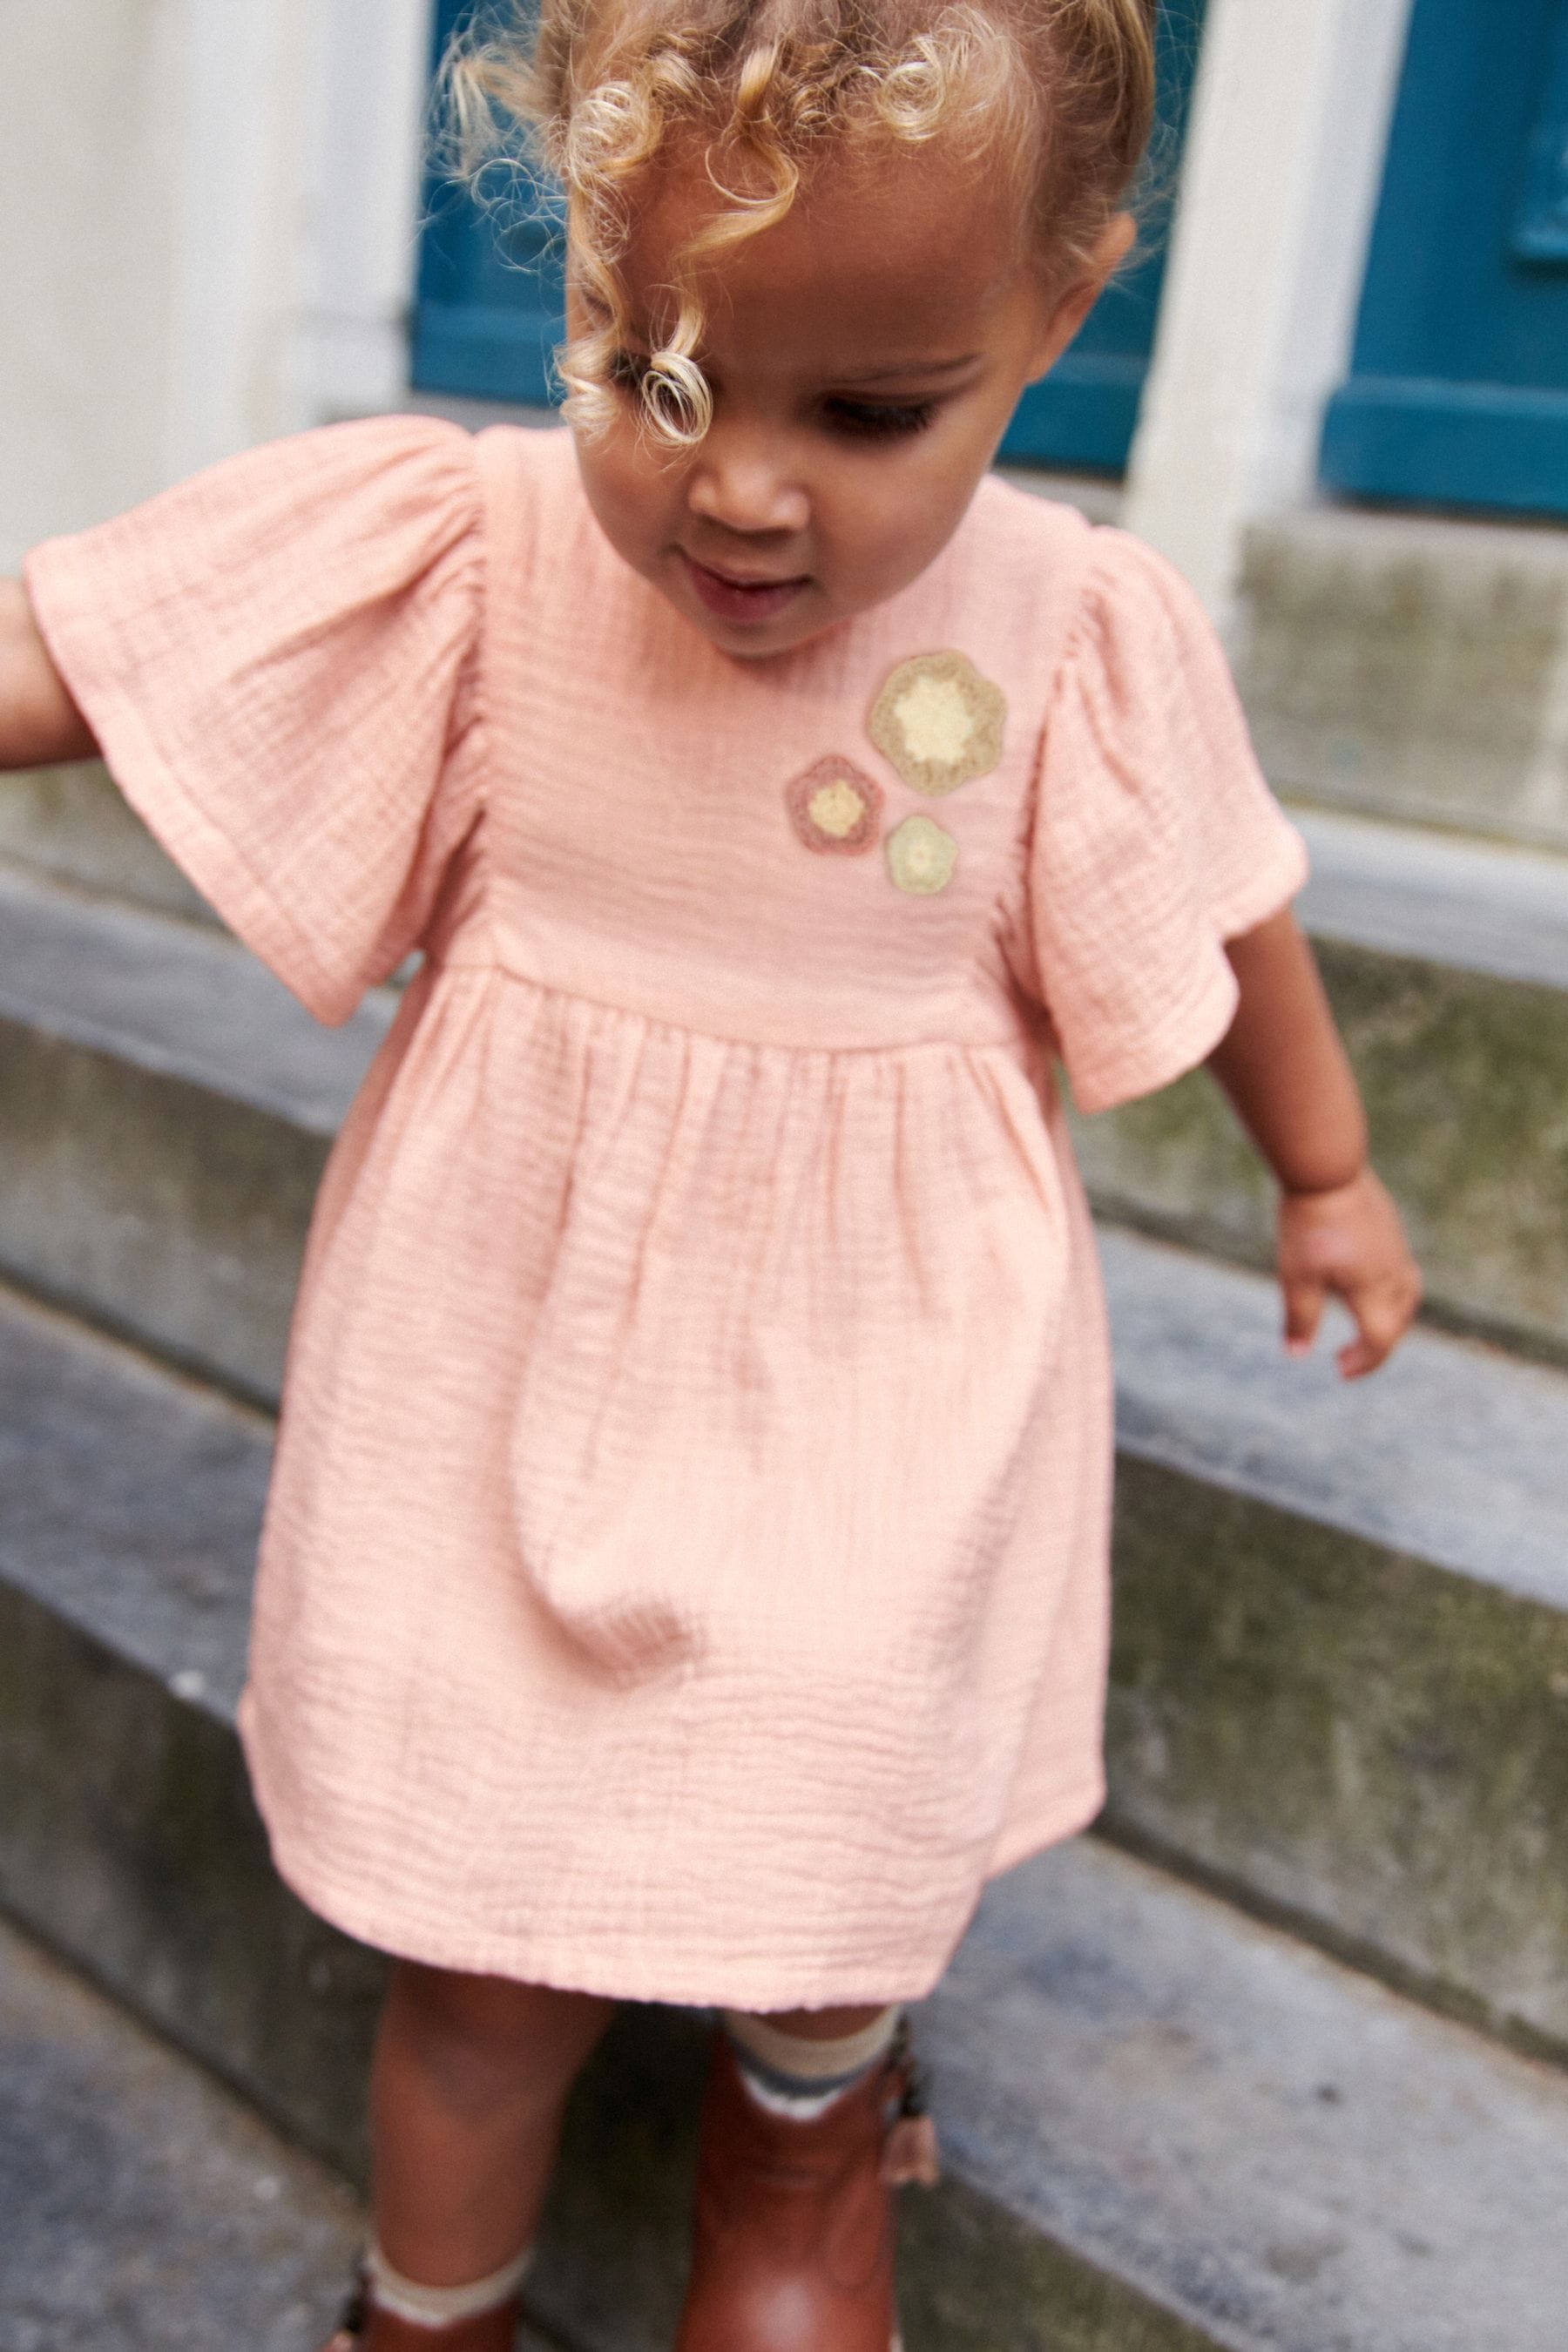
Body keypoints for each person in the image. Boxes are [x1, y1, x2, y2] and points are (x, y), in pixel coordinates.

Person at [0, 2, 1423, 2344]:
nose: (740, 492)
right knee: (475, 1960)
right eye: (652, 377)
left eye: (865, 412)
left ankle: (805, 2130)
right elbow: (99, 643)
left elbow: (1232, 895)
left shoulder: (1074, 629)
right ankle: (424, 2304)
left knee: (833, 1807)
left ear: (1058, 315)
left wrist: (1332, 1169)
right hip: (504, 1384)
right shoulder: (469, 554)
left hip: (875, 1392)